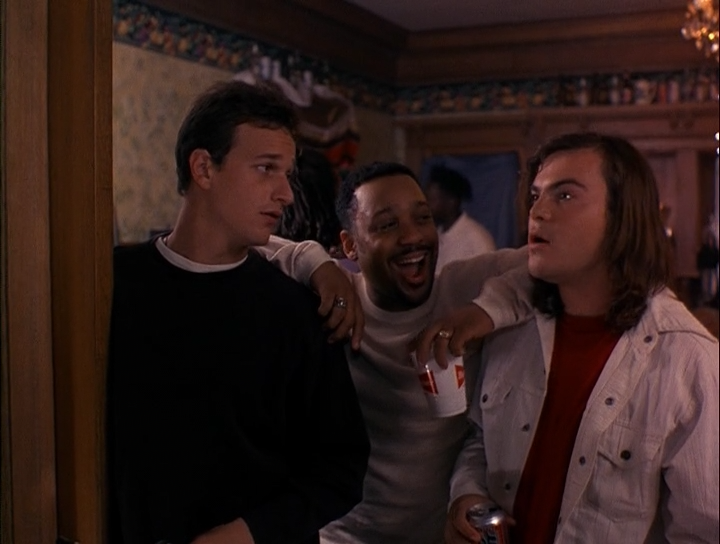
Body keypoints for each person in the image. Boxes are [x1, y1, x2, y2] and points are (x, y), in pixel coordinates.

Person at [418, 132, 719, 543]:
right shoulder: (513, 330)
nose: (537, 212)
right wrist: (467, 497)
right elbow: (482, 442)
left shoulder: (687, 360)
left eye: (564, 196)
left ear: (621, 217)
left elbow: (703, 531)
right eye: (536, 195)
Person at [108, 80, 370, 544]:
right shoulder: (113, 286)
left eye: (287, 173)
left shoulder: (299, 311)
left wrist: (247, 533)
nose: (286, 193)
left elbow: (341, 469)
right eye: (266, 168)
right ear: (203, 168)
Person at [262, 161, 530, 543]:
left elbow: (555, 262)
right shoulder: (335, 300)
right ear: (350, 245)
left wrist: (484, 311)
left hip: (443, 535)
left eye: (422, 218)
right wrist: (314, 261)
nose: (412, 236)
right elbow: (229, 244)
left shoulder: (463, 287)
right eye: (387, 225)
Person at [424, 165, 495, 270]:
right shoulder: (434, 237)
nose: (427, 207)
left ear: (451, 202)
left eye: (431, 200)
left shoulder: (477, 241)